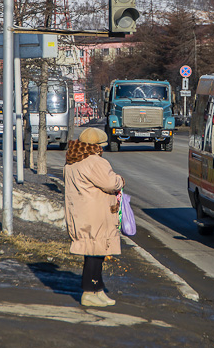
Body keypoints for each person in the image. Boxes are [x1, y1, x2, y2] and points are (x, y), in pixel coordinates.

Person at [63, 127, 125, 307]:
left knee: (94, 254)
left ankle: (98, 289)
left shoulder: (73, 161)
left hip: (81, 213)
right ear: (97, 146)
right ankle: (89, 292)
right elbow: (110, 183)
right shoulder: (95, 162)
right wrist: (121, 180)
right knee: (95, 255)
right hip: (96, 214)